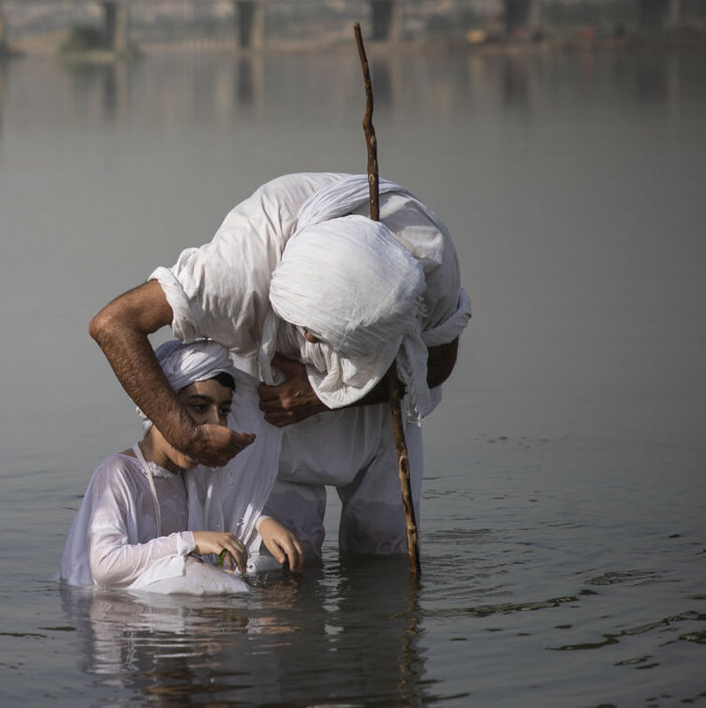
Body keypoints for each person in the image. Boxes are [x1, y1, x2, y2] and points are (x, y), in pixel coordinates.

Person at [88, 173, 471, 557]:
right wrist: (186, 435)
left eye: (325, 336)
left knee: (385, 560)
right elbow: (114, 325)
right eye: (303, 324)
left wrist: (323, 395)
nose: (307, 341)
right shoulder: (236, 270)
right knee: (286, 568)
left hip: (378, 406)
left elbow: (435, 367)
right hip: (270, 413)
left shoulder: (428, 260)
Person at [60, 339, 303, 594]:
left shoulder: (195, 473)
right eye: (199, 407)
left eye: (223, 410)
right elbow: (106, 566)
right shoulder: (118, 472)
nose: (216, 424)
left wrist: (261, 524)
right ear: (161, 408)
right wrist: (191, 541)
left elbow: (225, 511)